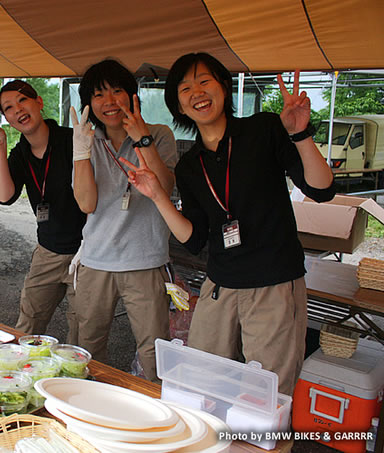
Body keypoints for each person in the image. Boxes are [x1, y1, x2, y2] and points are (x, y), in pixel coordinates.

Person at [121, 52, 335, 394]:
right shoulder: (192, 164)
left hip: (274, 283)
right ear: (178, 106)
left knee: (268, 394)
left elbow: (321, 189)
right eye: (185, 88)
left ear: (223, 86)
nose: (197, 92)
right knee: (202, 386)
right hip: (219, 285)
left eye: (205, 81)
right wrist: (158, 196)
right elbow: (193, 238)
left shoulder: (263, 129)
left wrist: (300, 134)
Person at [71, 59, 177, 382]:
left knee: (153, 352)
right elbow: (87, 203)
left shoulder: (159, 135)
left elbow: (165, 188)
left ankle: (155, 419)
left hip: (145, 261)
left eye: (118, 91)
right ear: (89, 102)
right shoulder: (84, 139)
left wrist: (141, 140)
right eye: (99, 94)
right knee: (87, 349)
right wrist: (81, 153)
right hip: (96, 261)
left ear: (133, 96)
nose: (110, 101)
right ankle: (90, 411)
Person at [0, 80, 86, 343]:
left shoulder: (72, 140)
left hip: (86, 254)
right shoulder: (20, 153)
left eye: (22, 100)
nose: (18, 110)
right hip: (47, 251)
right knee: (27, 325)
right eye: (8, 108)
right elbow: (4, 196)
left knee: (82, 332)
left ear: (39, 102)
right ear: (7, 119)